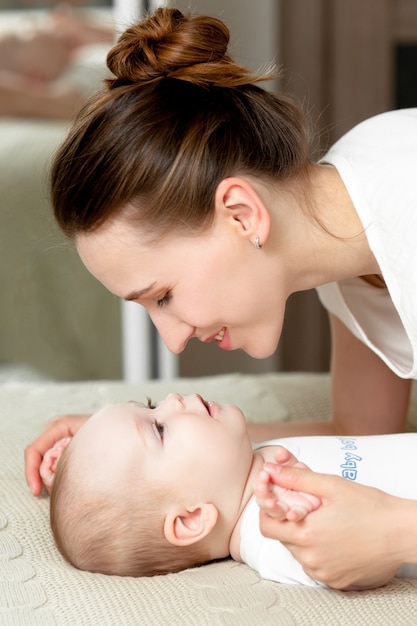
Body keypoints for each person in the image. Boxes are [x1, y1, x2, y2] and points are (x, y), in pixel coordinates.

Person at [24, 7, 417, 589]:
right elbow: (359, 432)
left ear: (240, 214)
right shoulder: (347, 229)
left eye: (163, 296)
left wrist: (395, 533)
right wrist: (127, 460)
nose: (175, 338)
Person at [40, 392, 417, 587]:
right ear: (191, 519)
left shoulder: (250, 464)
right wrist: (304, 513)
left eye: (152, 405)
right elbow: (348, 565)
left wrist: (81, 463)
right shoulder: (271, 534)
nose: (172, 400)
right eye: (159, 428)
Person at [0, 6, 113, 118]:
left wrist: (88, 30)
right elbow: (77, 105)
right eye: (17, 39)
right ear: (34, 77)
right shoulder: (75, 73)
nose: (31, 25)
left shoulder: (83, 52)